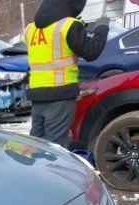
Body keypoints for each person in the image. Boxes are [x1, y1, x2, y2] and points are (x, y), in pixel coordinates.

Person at [26, 0, 109, 147]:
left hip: (37, 95)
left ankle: (33, 170)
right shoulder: (68, 25)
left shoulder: (30, 29)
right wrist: (102, 27)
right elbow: (91, 51)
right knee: (55, 147)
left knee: (35, 144)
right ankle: (53, 170)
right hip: (60, 95)